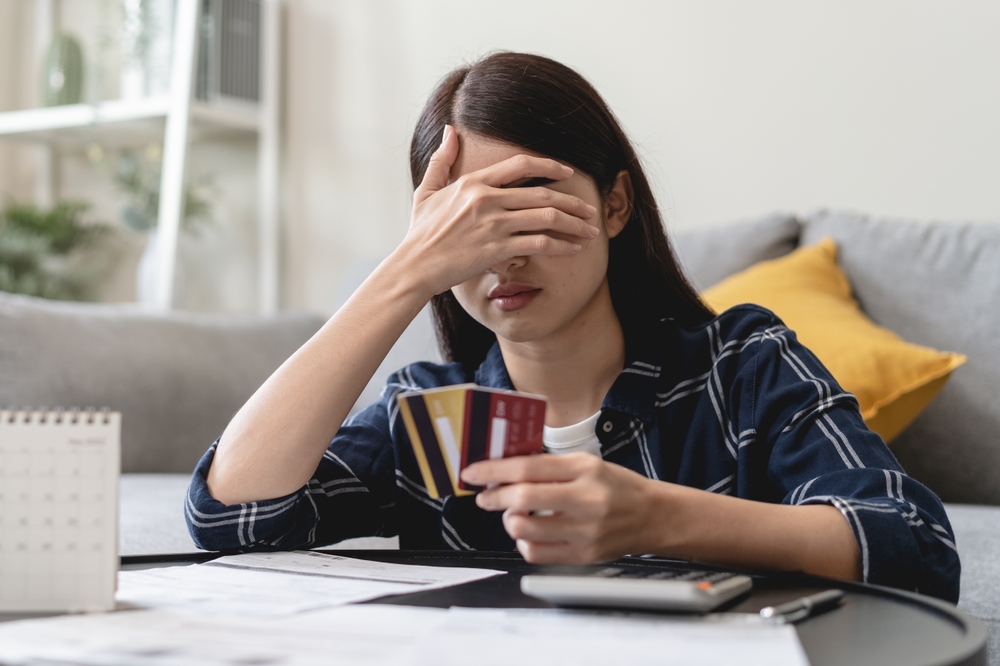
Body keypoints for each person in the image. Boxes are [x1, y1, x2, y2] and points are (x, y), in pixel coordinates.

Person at [186, 52, 960, 602]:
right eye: (466, 223)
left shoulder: (741, 366)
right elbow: (232, 514)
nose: (502, 255)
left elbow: (914, 544)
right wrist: (403, 274)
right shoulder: (431, 413)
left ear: (615, 205)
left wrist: (659, 517)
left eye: (528, 204)